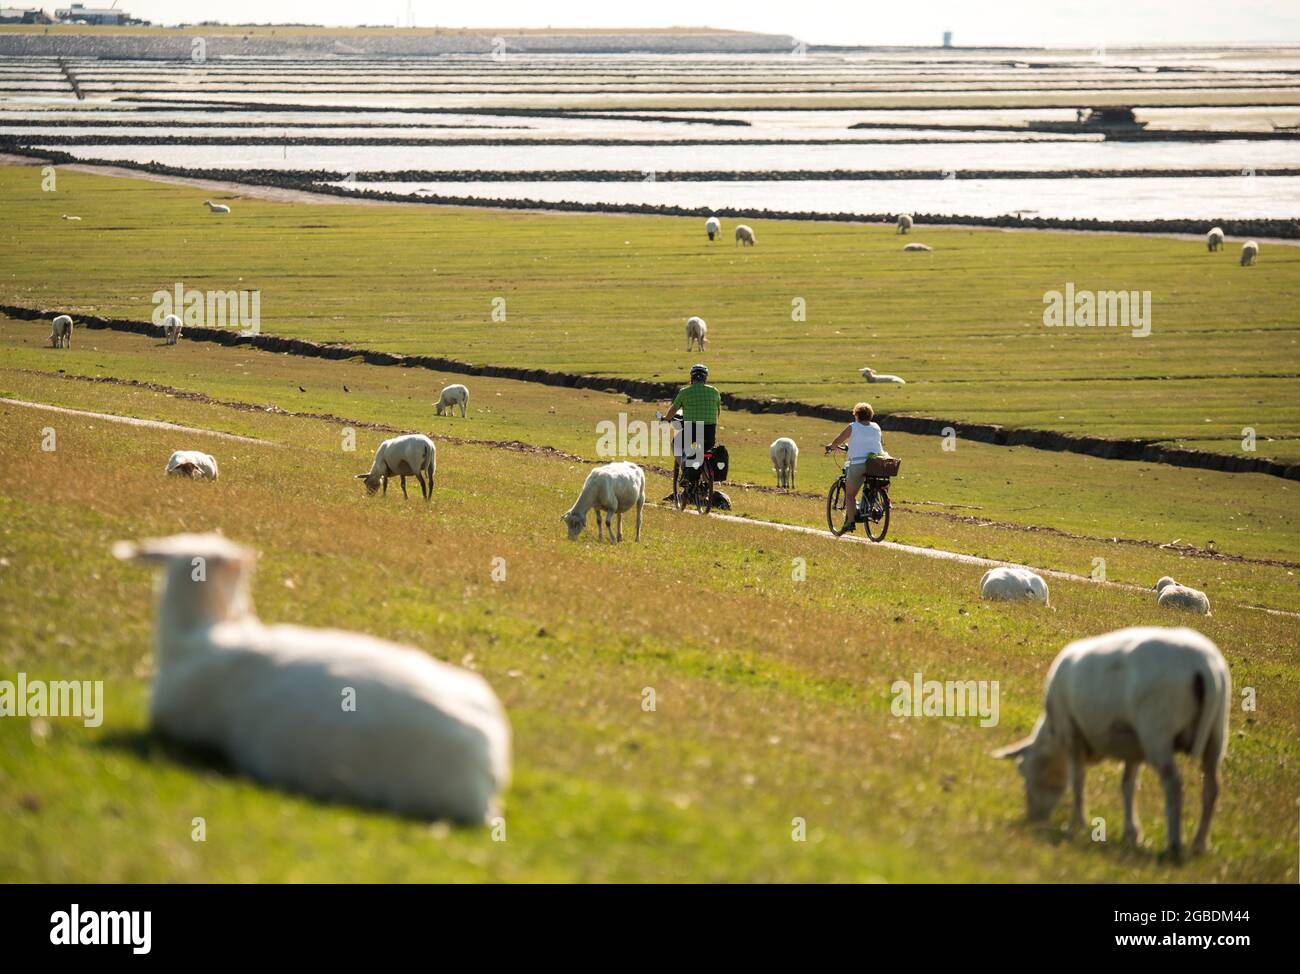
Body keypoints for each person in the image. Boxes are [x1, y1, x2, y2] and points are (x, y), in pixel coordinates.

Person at [824, 402, 887, 533]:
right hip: (876, 464)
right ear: (870, 415)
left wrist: (831, 447)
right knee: (871, 483)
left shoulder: (853, 426)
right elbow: (880, 444)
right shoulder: (876, 426)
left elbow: (838, 441)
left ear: (856, 415)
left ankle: (850, 522)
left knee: (850, 494)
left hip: (858, 464)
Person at [661, 363, 721, 485]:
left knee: (676, 444)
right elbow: (717, 412)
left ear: (691, 377)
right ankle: (706, 487)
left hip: (692, 429)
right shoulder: (714, 391)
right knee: (706, 452)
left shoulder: (684, 392)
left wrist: (666, 418)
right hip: (710, 432)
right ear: (705, 378)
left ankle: (685, 472)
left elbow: (673, 409)